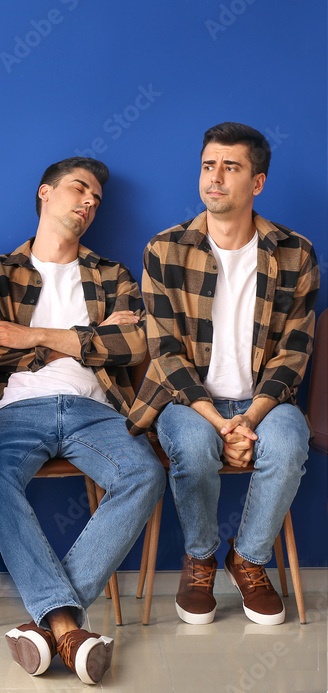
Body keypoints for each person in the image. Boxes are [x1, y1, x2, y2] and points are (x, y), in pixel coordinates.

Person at [0, 157, 165, 685]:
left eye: (97, 198)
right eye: (79, 189)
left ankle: (50, 623)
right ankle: (67, 625)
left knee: (146, 473)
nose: (88, 202)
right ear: (44, 193)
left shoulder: (111, 274)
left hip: (94, 411)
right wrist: (89, 338)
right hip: (15, 409)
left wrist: (32, 336)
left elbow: (133, 345)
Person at [129, 122, 319, 626]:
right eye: (208, 165)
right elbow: (164, 350)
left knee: (288, 446)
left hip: (265, 401)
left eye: (230, 167)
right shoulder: (165, 250)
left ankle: (249, 560)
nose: (215, 177)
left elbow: (294, 351)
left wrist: (250, 419)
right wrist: (220, 424)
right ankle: (201, 558)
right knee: (191, 450)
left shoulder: (295, 253)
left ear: (256, 182)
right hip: (188, 402)